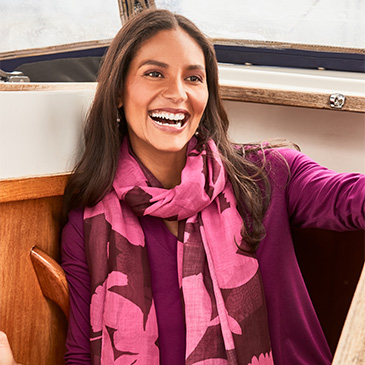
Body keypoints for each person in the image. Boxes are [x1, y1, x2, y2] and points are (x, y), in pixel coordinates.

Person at [59, 8, 364, 365]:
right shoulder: (87, 223)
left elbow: (353, 199)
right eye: (154, 73)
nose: (177, 93)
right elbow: (80, 354)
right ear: (118, 93)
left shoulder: (271, 174)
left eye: (193, 78)